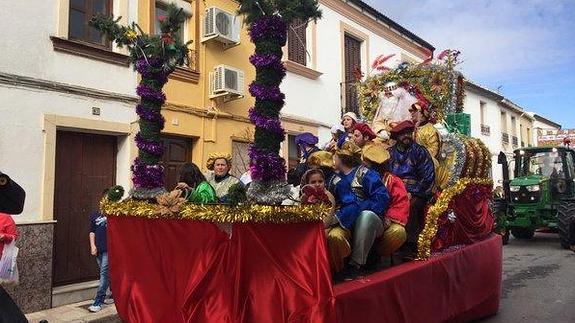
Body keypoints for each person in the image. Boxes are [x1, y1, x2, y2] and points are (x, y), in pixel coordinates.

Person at [333, 142, 390, 279]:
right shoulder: (334, 178)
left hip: (369, 220)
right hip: (342, 218)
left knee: (366, 216)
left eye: (335, 156)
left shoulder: (366, 174)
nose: (333, 159)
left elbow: (381, 198)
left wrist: (357, 209)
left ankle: (355, 264)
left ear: (341, 158)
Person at [387, 121, 435, 261]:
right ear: (397, 136)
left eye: (409, 133)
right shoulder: (390, 153)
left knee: (411, 205)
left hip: (417, 191)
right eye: (403, 134)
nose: (406, 136)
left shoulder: (420, 151)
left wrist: (412, 192)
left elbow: (428, 177)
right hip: (394, 191)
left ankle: (410, 245)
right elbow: (386, 175)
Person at [361, 142, 409, 259]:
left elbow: (401, 202)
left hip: (383, 222)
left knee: (398, 232)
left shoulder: (393, 181)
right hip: (361, 218)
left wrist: (388, 218)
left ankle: (375, 255)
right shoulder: (358, 177)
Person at [410, 100, 448, 190]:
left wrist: (418, 156)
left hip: (427, 160)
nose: (412, 114)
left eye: (415, 111)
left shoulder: (430, 129)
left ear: (422, 114)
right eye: (411, 111)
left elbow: (434, 150)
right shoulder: (412, 128)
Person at [89, 190, 113, 313]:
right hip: (98, 249)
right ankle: (114, 293)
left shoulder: (115, 214)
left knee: (104, 274)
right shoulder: (95, 214)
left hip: (109, 250)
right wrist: (92, 246)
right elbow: (92, 231)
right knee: (106, 274)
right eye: (105, 198)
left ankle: (98, 301)